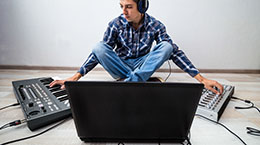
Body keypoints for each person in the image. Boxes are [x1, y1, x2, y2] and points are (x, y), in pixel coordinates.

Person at [50, 0, 223, 94]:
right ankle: (136, 81)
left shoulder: (156, 25)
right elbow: (99, 54)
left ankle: (129, 82)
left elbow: (175, 53)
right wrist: (75, 77)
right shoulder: (115, 24)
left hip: (142, 65)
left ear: (142, 7)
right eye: (121, 7)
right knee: (99, 46)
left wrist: (202, 79)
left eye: (129, 7)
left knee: (167, 46)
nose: (124, 11)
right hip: (120, 65)